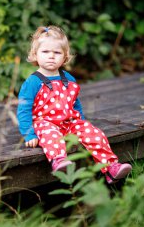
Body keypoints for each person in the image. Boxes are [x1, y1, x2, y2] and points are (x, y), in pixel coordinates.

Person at [17, 25, 132, 184]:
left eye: (57, 53)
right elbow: (23, 109)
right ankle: (59, 160)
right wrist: (29, 134)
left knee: (94, 133)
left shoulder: (69, 79)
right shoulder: (32, 82)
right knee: (51, 134)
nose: (51, 56)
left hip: (69, 123)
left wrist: (82, 122)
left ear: (65, 57)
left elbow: (75, 103)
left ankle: (111, 167)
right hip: (44, 124)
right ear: (35, 54)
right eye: (45, 52)